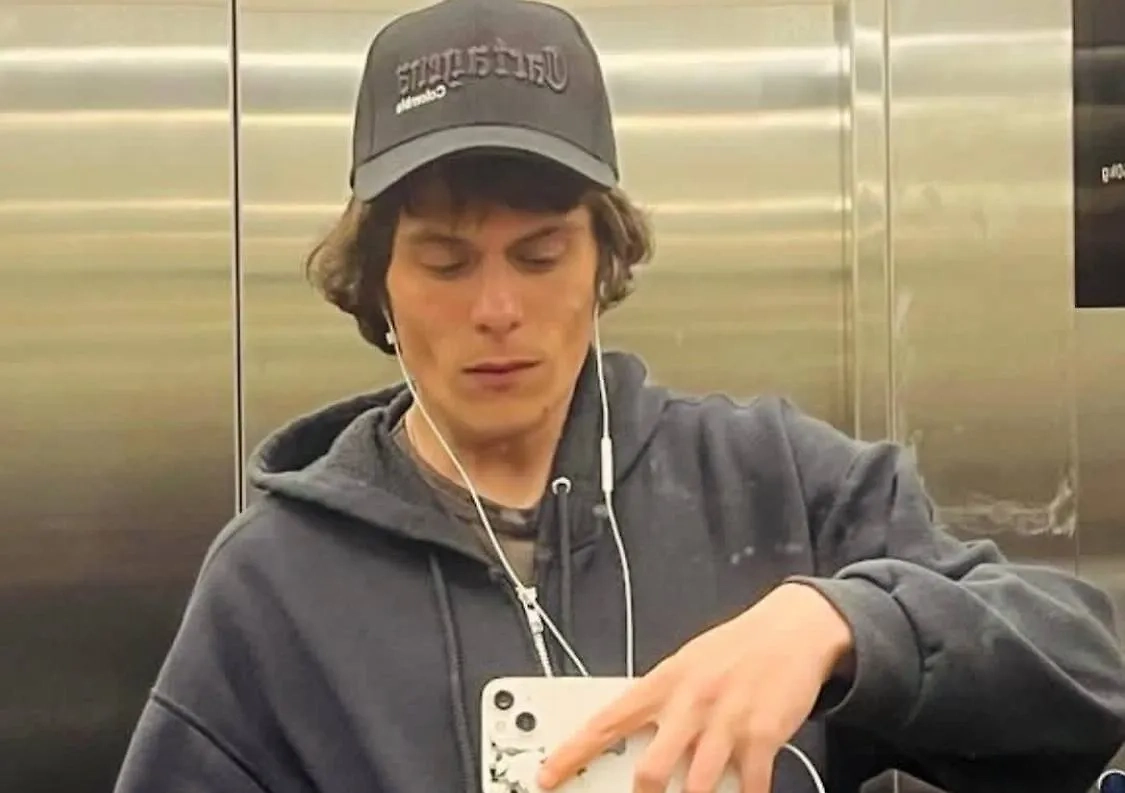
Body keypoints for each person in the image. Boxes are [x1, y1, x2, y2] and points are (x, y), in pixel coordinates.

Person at [114, 0, 1125, 791]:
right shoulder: (277, 582)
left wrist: (842, 623)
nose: (498, 308)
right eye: (446, 261)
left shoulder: (774, 483)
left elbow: (1088, 678)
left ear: (604, 261)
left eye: (540, 254)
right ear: (377, 282)